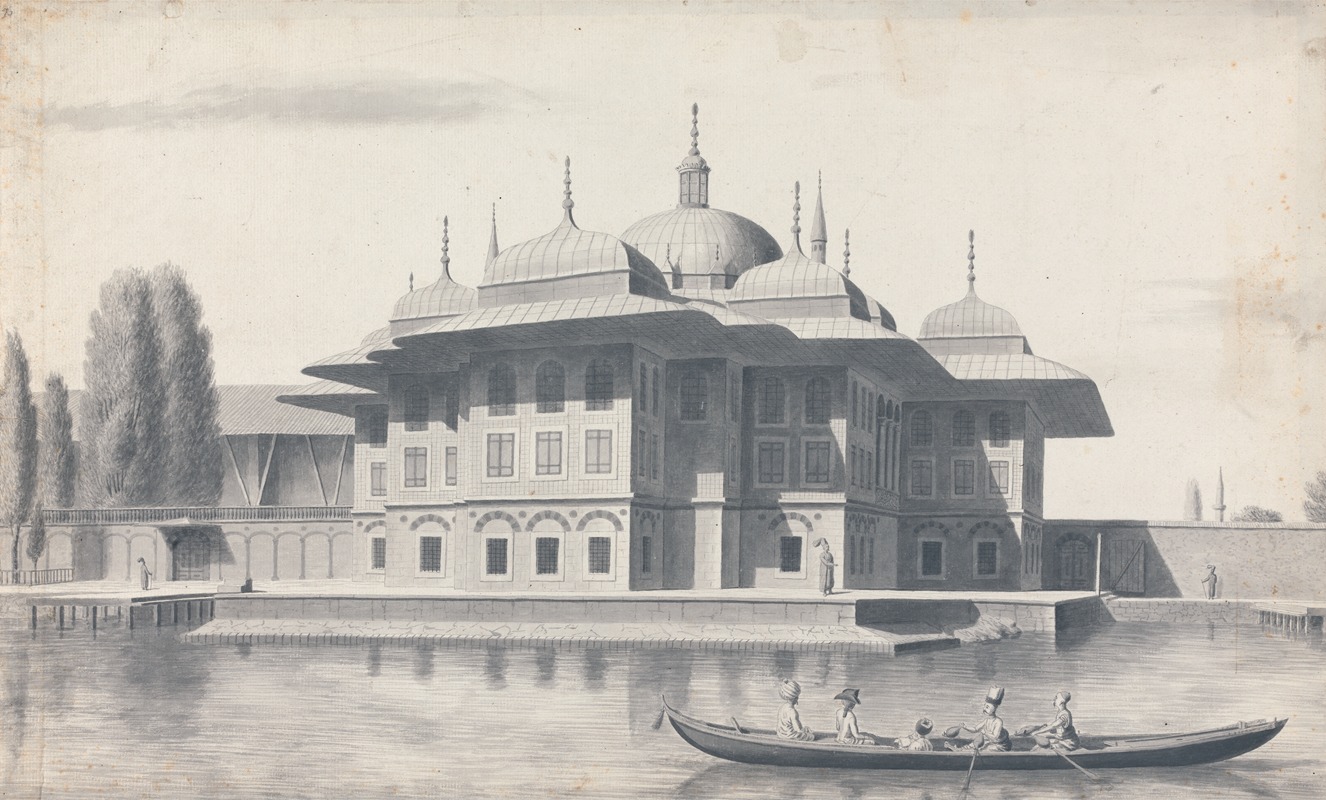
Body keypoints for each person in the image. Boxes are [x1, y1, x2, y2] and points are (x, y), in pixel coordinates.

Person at [947, 687, 1011, 752]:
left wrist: (985, 733)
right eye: (984, 706)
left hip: (1001, 746)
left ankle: (964, 751)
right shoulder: (986, 720)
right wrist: (965, 727)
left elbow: (995, 738)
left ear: (994, 708)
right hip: (991, 743)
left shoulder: (998, 721)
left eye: (987, 707)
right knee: (975, 745)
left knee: (983, 750)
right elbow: (975, 729)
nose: (984, 708)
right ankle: (961, 750)